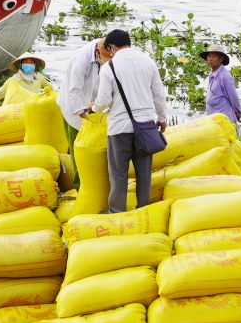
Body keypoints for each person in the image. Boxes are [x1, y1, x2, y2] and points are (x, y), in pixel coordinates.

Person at [87, 29, 167, 213]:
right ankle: (143, 209)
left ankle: (116, 211)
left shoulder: (110, 67)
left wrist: (93, 109)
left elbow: (103, 101)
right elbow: (158, 94)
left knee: (118, 174)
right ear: (129, 43)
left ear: (112, 47)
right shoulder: (148, 62)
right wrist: (161, 118)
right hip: (146, 127)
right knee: (144, 174)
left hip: (119, 129)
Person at [57, 37, 104, 145]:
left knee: (93, 143)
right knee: (77, 143)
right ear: (98, 52)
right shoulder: (81, 59)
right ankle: (74, 160)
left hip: (91, 103)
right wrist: (83, 117)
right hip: (72, 104)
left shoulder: (107, 52)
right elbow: (74, 91)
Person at [200, 44, 241, 125]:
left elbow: (233, 97)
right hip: (213, 119)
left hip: (224, 120)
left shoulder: (225, 76)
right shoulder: (212, 73)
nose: (210, 59)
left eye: (214, 56)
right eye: (209, 56)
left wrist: (238, 112)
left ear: (221, 59)